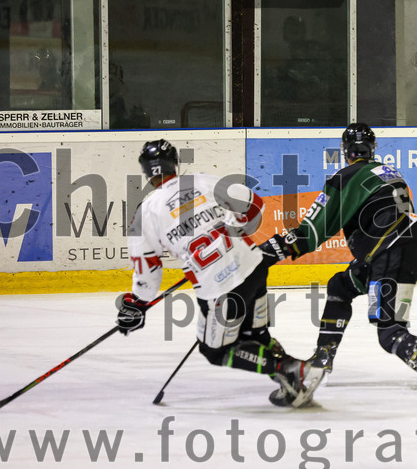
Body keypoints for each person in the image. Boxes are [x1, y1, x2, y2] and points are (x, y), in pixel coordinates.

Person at [258, 123, 417, 403]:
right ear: (373, 148)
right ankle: (321, 360)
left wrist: (272, 249)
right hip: (412, 250)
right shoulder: (389, 173)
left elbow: (312, 232)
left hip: (391, 255)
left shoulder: (347, 176)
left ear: (345, 151)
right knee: (341, 286)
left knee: (390, 332)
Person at [116, 140, 316, 407]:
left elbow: (147, 267)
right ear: (175, 163)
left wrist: (139, 303)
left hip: (219, 287)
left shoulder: (147, 211)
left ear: (146, 172)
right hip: (253, 265)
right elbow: (254, 204)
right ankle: (293, 385)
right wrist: (234, 233)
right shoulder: (204, 182)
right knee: (254, 337)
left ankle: (295, 369)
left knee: (215, 350)